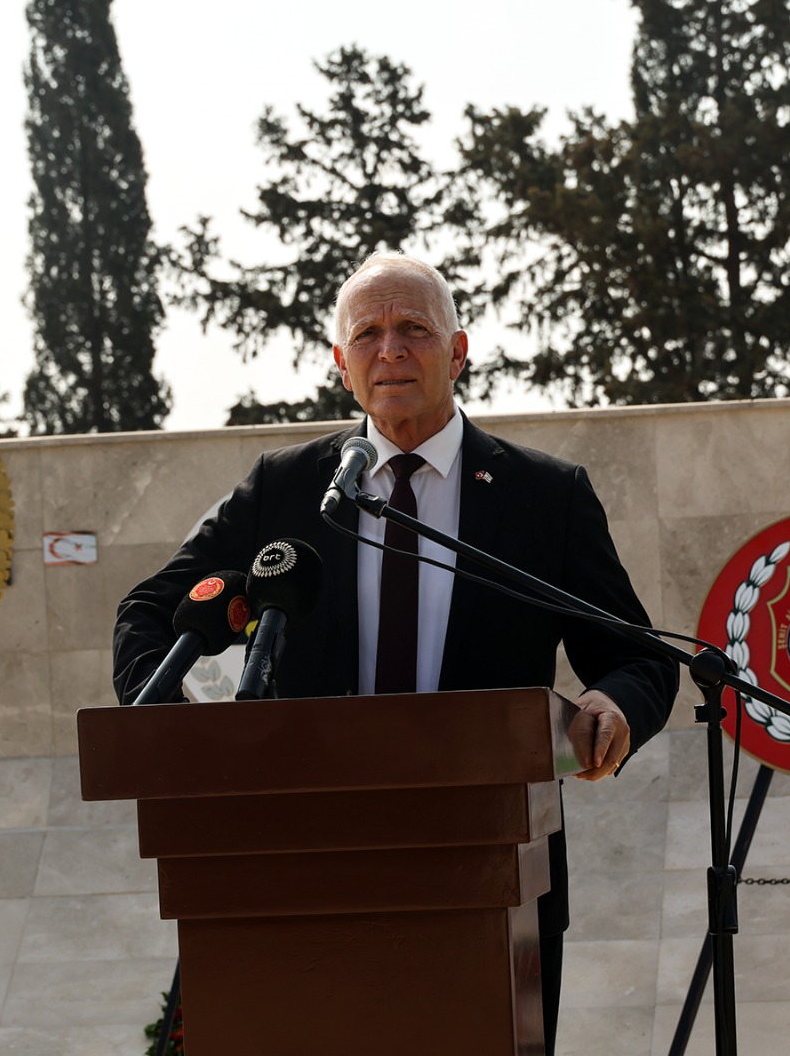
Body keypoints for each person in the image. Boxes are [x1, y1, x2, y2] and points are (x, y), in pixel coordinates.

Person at [113, 252, 678, 1053]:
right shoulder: (287, 489)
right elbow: (151, 614)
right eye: (367, 335)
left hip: (492, 880)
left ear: (459, 351)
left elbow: (639, 657)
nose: (391, 350)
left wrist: (613, 704)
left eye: (414, 328)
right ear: (342, 366)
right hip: (304, 875)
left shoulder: (544, 497)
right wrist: (186, 738)